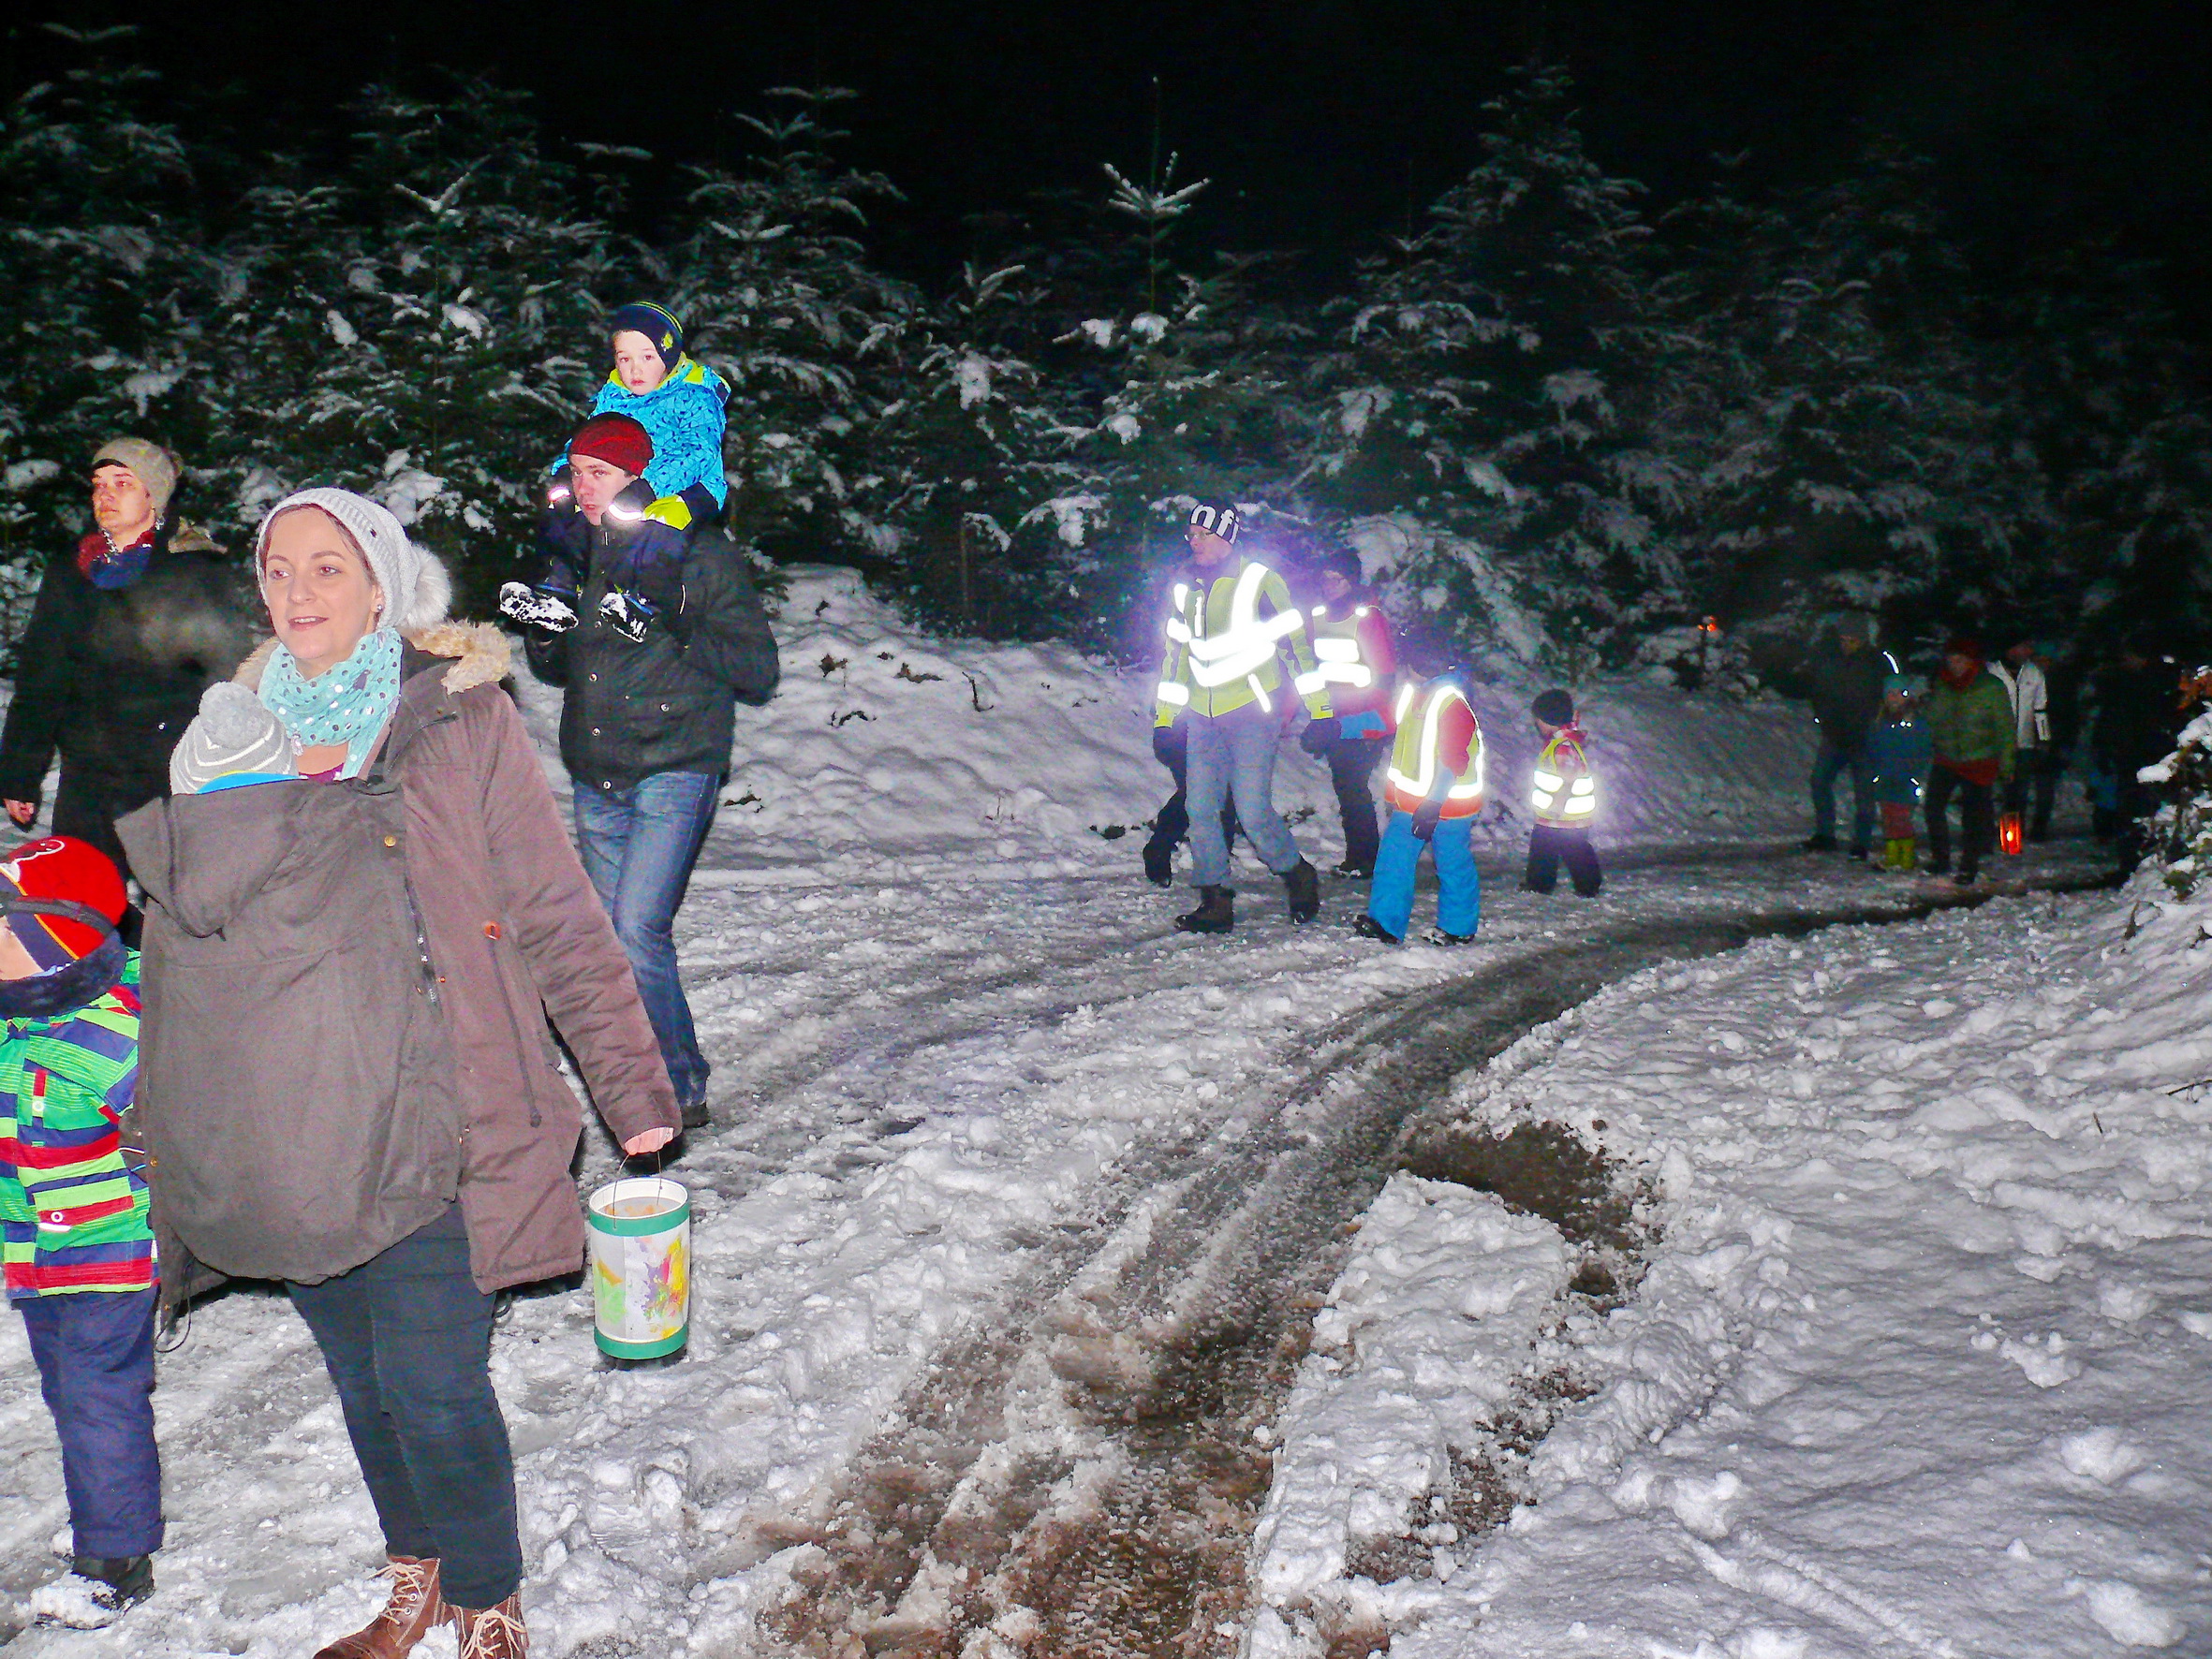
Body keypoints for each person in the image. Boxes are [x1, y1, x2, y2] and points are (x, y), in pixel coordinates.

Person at [119, 488, 685, 1659]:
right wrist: (157, 1114)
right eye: (279, 569)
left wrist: (630, 1085)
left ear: (382, 585)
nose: (299, 591)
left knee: (432, 1381)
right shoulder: (230, 735)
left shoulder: (455, 717)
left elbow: (552, 907)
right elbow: (185, 945)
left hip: (442, 1102)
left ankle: (486, 1605)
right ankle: (413, 1580)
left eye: (328, 567)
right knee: (366, 1383)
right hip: (297, 1118)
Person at [521, 415, 780, 1128]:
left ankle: (679, 1083)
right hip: (597, 768)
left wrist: (677, 614)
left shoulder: (697, 553)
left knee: (637, 930)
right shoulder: (575, 550)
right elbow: (562, 670)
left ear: (640, 478)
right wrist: (545, 634)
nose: (583, 488)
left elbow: (758, 670)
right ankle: (639, 1079)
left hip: (677, 761)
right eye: (576, 473)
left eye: (599, 474)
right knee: (610, 944)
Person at [0, 837, 159, 1630]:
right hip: (33, 1252)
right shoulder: (15, 1018)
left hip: (108, 1254)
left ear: (58, 944)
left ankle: (116, 1559)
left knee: (99, 1398)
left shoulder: (119, 1039)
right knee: (69, 1392)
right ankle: (104, 1508)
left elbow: (183, 1137)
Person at [0, 440, 251, 875]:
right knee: (81, 895)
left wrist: (224, 771)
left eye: (122, 483)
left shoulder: (194, 569)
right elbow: (42, 676)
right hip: (88, 773)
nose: (105, 495)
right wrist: (19, 772)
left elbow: (227, 677)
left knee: (171, 898)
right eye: (99, 484)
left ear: (154, 495)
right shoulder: (72, 570)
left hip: (167, 772)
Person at [1153, 501, 1330, 934]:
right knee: (1200, 809)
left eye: (1203, 534)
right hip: (1202, 715)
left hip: (1252, 713)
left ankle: (1296, 873)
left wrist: (1321, 709)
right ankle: (1215, 900)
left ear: (1226, 536)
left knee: (1251, 811)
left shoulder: (1260, 580)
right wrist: (1165, 718)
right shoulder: (1184, 585)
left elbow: (1296, 647)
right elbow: (1176, 656)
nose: (1194, 541)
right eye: (1191, 534)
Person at [505, 303, 732, 633]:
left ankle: (644, 600)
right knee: (566, 507)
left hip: (691, 486)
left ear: (667, 356)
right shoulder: (614, 395)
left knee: (662, 520)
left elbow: (699, 452)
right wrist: (566, 472)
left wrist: (649, 486)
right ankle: (559, 589)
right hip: (626, 480)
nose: (635, 369)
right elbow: (590, 437)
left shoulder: (694, 396)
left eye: (647, 357)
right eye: (624, 359)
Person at [1354, 667, 1483, 946]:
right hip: (1412, 803)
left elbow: (1453, 760)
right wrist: (1337, 728)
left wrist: (1434, 802)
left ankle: (1459, 926)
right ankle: (1385, 922)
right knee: (1393, 857)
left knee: (1452, 864)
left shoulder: (1451, 703)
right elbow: (1384, 721)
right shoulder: (1414, 694)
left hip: (1450, 807)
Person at [1295, 549, 1399, 879]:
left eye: (1336, 579)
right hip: (1335, 719)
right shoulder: (1318, 617)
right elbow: (1311, 667)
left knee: (1352, 785)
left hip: (1366, 721)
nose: (1328, 586)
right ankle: (1361, 858)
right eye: (1325, 579)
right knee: (1347, 785)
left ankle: (1365, 859)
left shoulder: (1368, 618)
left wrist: (1348, 723)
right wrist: (1320, 717)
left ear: (1351, 582)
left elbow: (1383, 679)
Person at [1923, 637, 2015, 886]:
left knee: (1973, 814)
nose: (1955, 665)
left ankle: (1969, 864)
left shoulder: (1990, 687)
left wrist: (2007, 763)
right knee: (1933, 807)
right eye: (1951, 660)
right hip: (1947, 756)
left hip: (1979, 759)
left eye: (1960, 660)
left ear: (1972, 661)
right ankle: (1940, 858)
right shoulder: (1943, 685)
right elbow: (1933, 718)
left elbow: (2005, 728)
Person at [2088, 639, 2181, 869]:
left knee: (2135, 810)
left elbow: (2118, 720)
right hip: (2142, 754)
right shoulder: (2155, 681)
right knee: (2138, 809)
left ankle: (2135, 860)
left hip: (2138, 755)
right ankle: (2138, 859)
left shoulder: (2138, 684)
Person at [1801, 616, 1884, 859]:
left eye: (1852, 640)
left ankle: (1862, 841)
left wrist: (1876, 723)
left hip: (1865, 736)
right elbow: (1819, 690)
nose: (1847, 645)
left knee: (1864, 792)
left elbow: (1890, 695)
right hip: (1835, 734)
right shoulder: (1832, 660)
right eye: (1843, 640)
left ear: (1863, 640)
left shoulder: (1876, 662)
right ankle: (1825, 834)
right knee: (1819, 780)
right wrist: (1824, 717)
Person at [1139, 719, 1240, 887]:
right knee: (1197, 792)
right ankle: (1160, 847)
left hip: (1217, 730)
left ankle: (1218, 857)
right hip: (1182, 732)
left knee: (1217, 788)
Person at [1524, 688, 1602, 897]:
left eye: (1539, 720)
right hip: (1551, 815)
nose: (1537, 724)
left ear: (1549, 720)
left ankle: (1589, 885)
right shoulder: (1557, 742)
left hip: (1565, 815)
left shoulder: (1563, 746)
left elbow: (1569, 777)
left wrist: (1558, 803)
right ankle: (1539, 884)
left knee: (1575, 850)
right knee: (1543, 848)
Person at [1865, 673, 1933, 872]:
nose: (1895, 698)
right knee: (1888, 818)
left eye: (1900, 693)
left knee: (1901, 818)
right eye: (1891, 693)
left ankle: (1906, 855)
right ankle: (1893, 854)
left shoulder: (1917, 722)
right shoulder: (1879, 722)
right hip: (1885, 778)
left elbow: (1924, 749)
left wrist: (1916, 774)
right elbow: (1872, 748)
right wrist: (1875, 772)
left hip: (1906, 779)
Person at [1991, 639, 2055, 843]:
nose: (2028, 651)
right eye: (2023, 647)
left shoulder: (2033, 673)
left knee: (2018, 792)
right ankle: (1991, 834)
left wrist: (2043, 738)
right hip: (1996, 744)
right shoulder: (1992, 673)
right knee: (1996, 791)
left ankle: (2012, 838)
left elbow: (2040, 709)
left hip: (2024, 744)